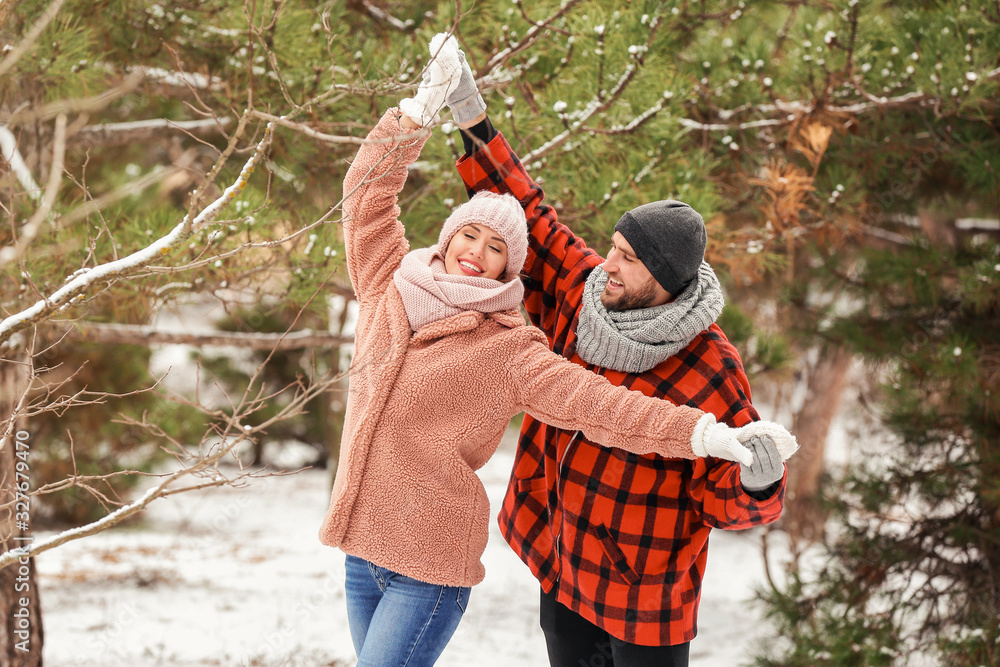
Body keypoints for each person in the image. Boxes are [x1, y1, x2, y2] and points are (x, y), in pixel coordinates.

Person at [318, 35, 790, 667]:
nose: (607, 264)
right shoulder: (583, 293)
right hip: (561, 559)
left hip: (643, 590)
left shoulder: (705, 365)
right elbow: (526, 217)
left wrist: (743, 466)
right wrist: (464, 115)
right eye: (613, 248)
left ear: (665, 280)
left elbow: (612, 412)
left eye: (626, 257)